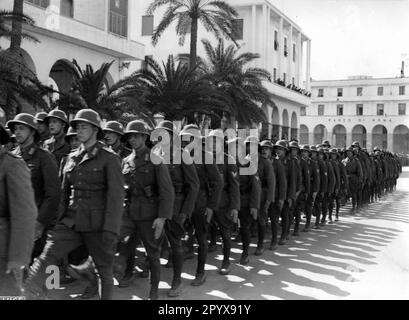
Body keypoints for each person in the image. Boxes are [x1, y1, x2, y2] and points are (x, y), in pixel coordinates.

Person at [26, 109, 125, 300]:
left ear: (95, 129)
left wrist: (111, 230)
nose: (79, 131)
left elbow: (116, 197)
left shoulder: (109, 158)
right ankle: (31, 293)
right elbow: (63, 195)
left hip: (97, 225)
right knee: (48, 255)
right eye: (77, 127)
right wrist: (58, 223)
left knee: (104, 271)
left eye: (84, 127)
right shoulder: (71, 158)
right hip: (71, 222)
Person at [120, 120, 175, 300]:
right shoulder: (126, 161)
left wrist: (162, 218)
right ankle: (124, 273)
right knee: (120, 244)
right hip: (130, 212)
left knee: (152, 253)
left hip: (149, 214)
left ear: (144, 137)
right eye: (130, 137)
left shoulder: (155, 159)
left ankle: (154, 288)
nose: (133, 140)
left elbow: (167, 192)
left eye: (136, 136)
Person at [154, 120, 199, 297]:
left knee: (175, 244)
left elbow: (194, 186)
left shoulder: (182, 155)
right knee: (153, 243)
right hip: (157, 204)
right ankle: (153, 281)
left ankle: (177, 281)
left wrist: (185, 212)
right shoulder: (155, 154)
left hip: (176, 205)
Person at [7, 114, 61, 261]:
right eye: (15, 129)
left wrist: (40, 223)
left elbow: (53, 194)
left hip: (34, 222)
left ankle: (52, 284)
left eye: (22, 128)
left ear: (32, 132)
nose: (17, 132)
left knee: (38, 267)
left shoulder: (44, 157)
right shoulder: (10, 157)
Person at [180, 124, 223, 286]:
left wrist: (211, 207)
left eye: (190, 138)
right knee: (180, 233)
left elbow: (218, 183)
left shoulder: (205, 156)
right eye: (185, 138)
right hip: (183, 201)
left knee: (201, 237)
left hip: (199, 202)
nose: (186, 141)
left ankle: (200, 272)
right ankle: (185, 253)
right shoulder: (180, 155)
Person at [0, 124, 37, 297]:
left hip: (3, 250)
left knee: (8, 294)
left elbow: (25, 214)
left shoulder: (11, 164)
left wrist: (17, 258)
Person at [207, 129, 240, 275]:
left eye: (216, 141)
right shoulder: (203, 158)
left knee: (225, 233)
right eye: (211, 141)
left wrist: (234, 207)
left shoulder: (228, 160)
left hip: (222, 202)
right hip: (206, 201)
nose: (214, 143)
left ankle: (226, 261)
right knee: (202, 231)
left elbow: (234, 186)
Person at [230, 137, 261, 264]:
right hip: (230, 200)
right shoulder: (228, 162)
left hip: (244, 200)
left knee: (244, 228)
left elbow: (256, 187)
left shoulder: (248, 164)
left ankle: (245, 253)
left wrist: (254, 206)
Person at [248, 137, 275, 256]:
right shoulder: (244, 160)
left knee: (261, 220)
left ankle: (260, 245)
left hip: (262, 195)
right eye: (248, 145)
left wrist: (269, 200)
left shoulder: (264, 162)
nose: (250, 148)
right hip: (247, 194)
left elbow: (271, 183)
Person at [343, 146, 363, 213]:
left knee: (354, 194)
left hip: (354, 179)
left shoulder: (356, 161)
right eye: (347, 152)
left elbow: (360, 172)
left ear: (352, 153)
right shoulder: (344, 161)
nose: (348, 154)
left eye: (350, 152)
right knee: (347, 193)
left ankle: (354, 206)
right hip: (346, 180)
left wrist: (360, 180)